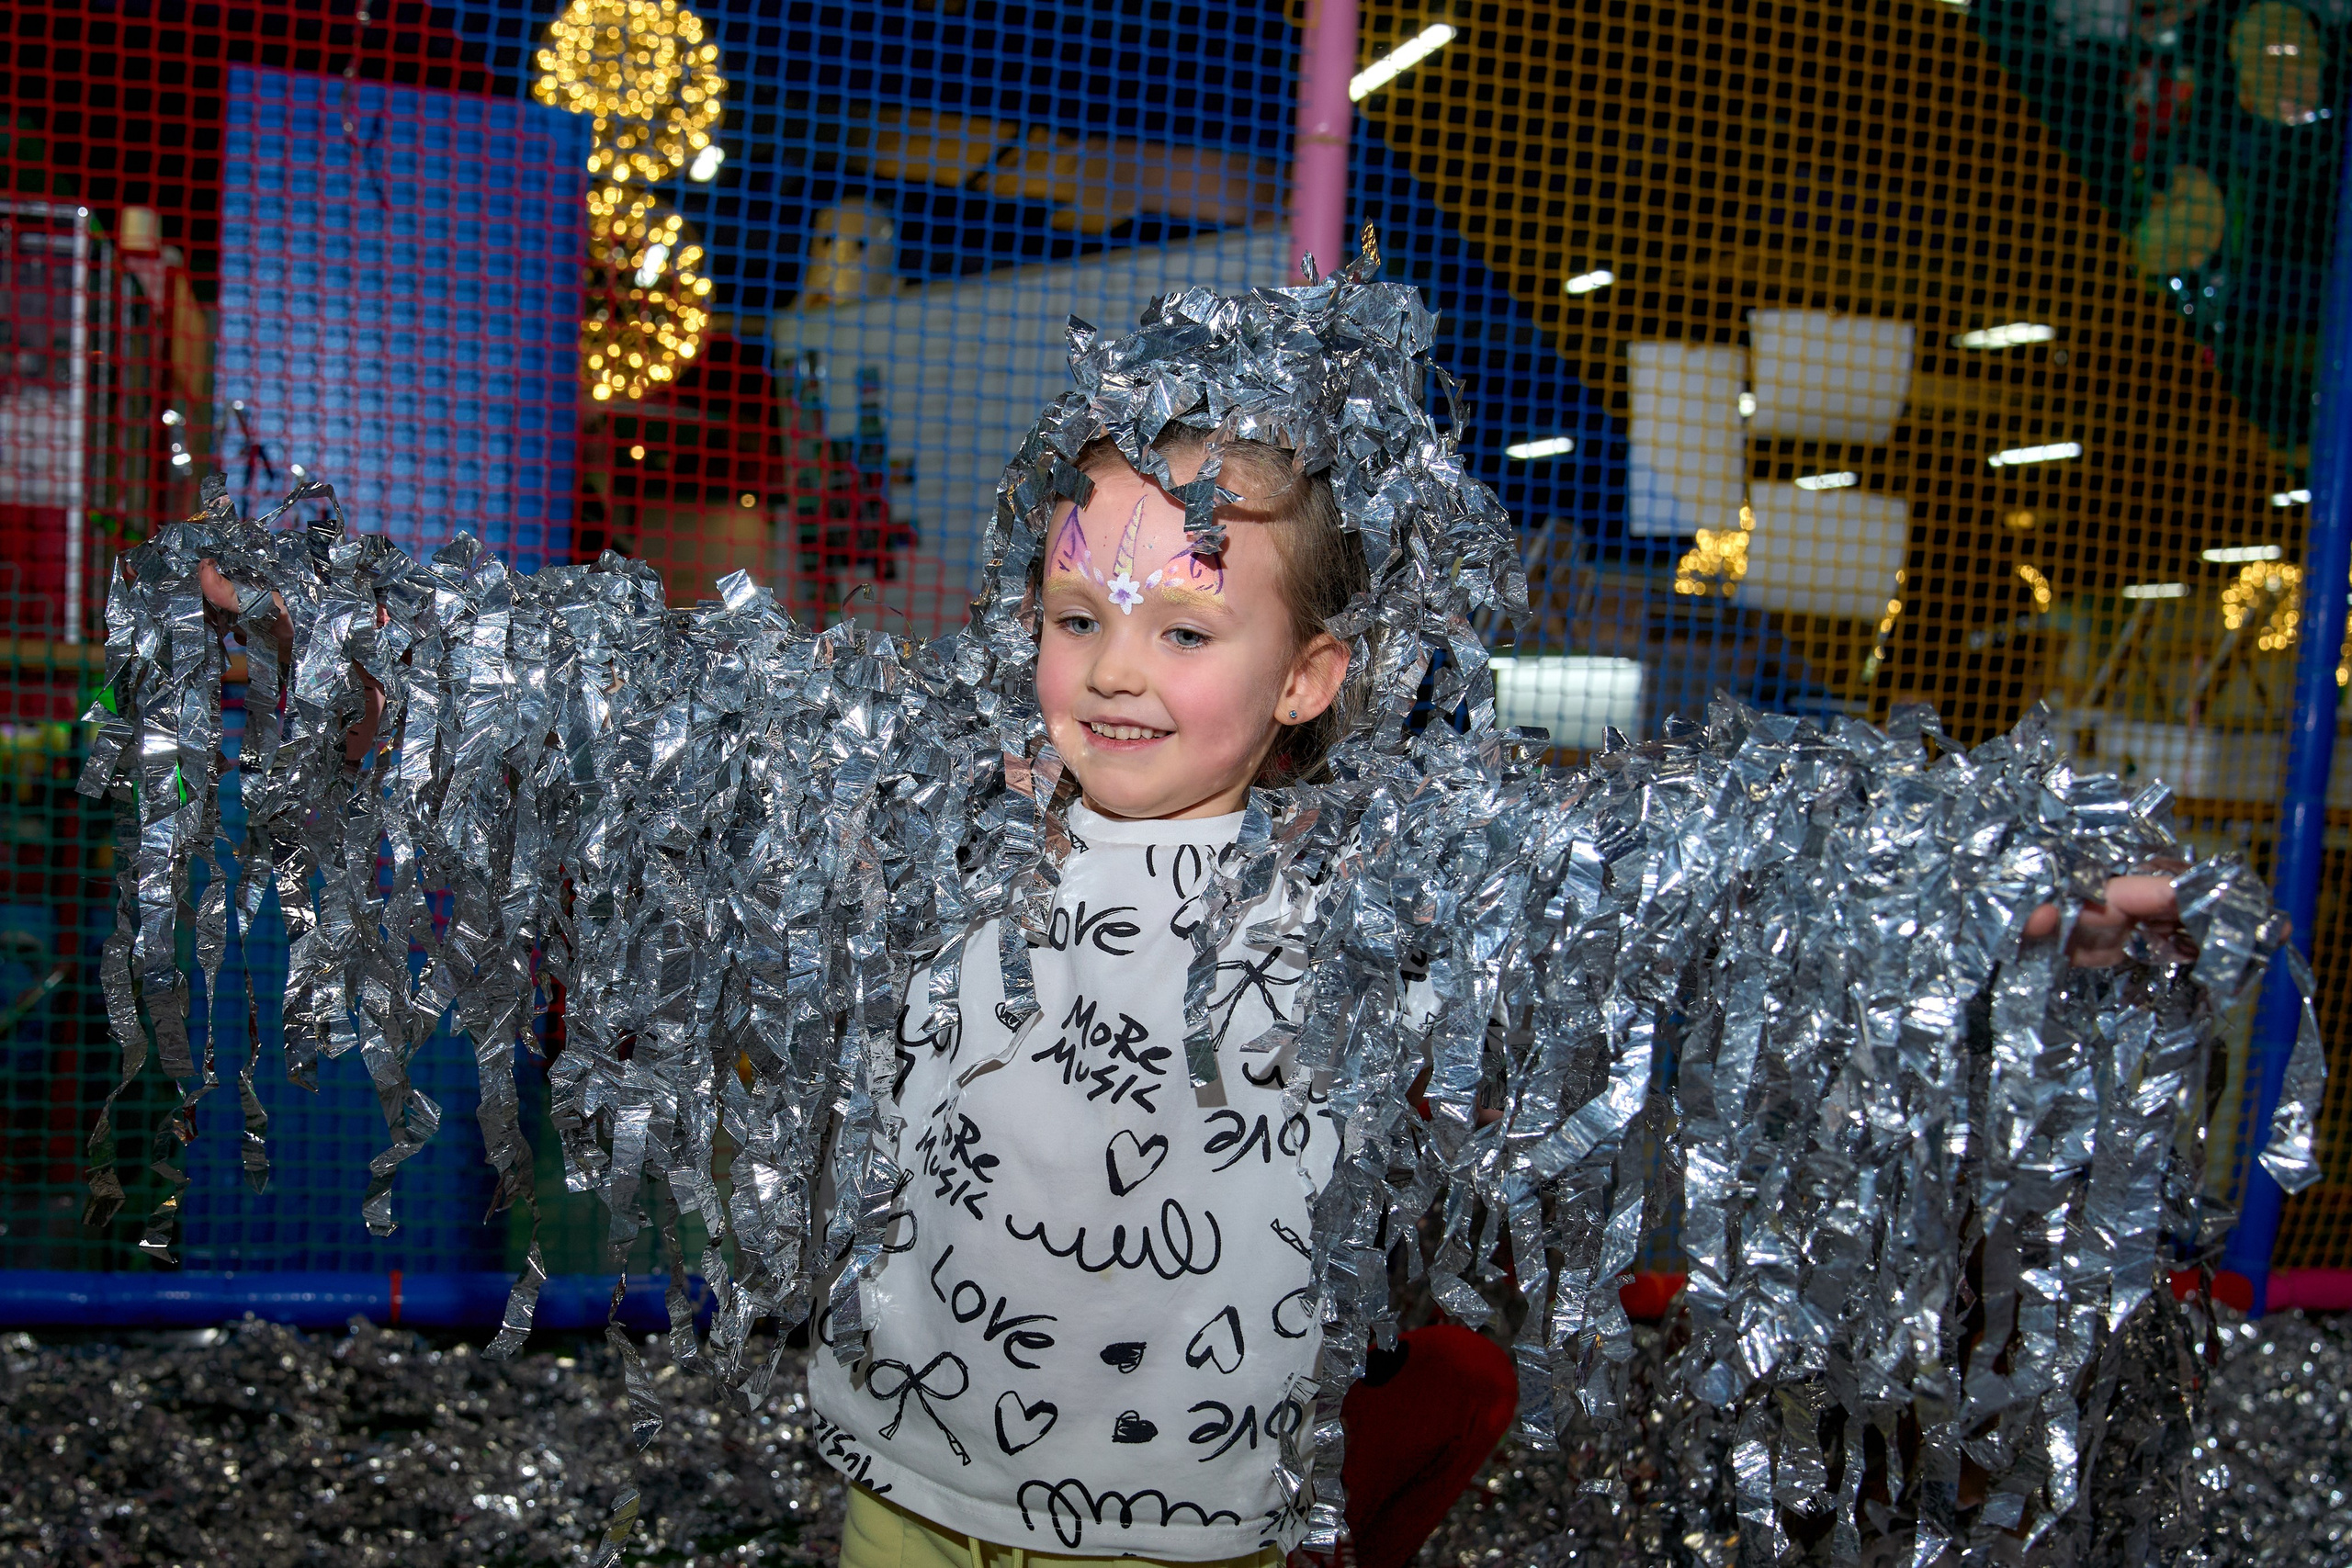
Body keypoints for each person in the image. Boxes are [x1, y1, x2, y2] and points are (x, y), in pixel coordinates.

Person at [127, 258, 2285, 1568]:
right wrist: (340, 647)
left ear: (1318, 669)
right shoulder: (933, 815)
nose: (1115, 665)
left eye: (1183, 618)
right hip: (906, 1461)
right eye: (1075, 609)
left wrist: (2010, 905)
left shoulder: (1376, 871)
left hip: (1188, 1522)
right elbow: (619, 722)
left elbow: (1700, 891)